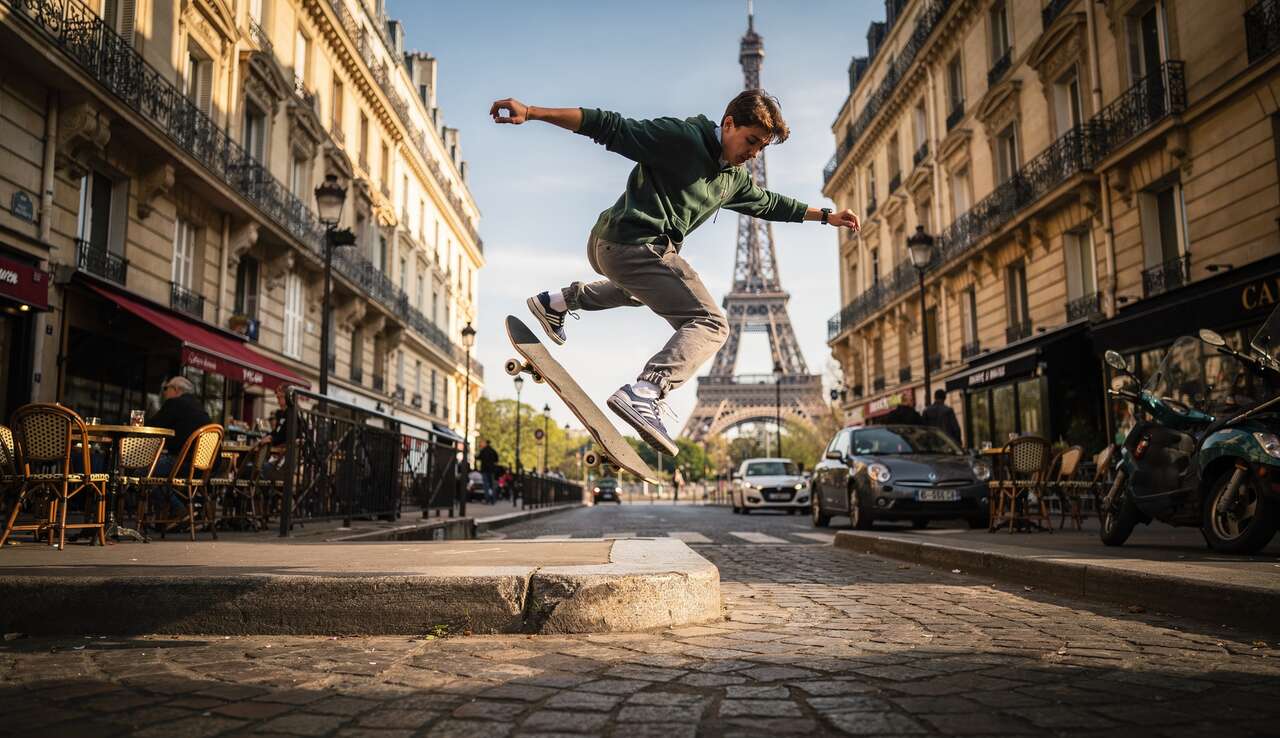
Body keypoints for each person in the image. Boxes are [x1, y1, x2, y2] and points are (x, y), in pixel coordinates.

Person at [490, 91, 860, 455]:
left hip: (609, 247)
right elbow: (608, 126)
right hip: (635, 243)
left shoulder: (733, 178)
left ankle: (557, 301)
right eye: (751, 141)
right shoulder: (681, 138)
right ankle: (647, 390)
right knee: (713, 324)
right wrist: (533, 112)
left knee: (636, 293)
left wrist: (825, 216)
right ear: (728, 124)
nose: (754, 153)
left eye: (762, 148)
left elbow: (769, 204)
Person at [146, 375, 212, 517]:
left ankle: (177, 509)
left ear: (175, 389)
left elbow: (152, 427)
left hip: (183, 464)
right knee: (156, 471)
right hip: (204, 468)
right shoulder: (200, 407)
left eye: (166, 388)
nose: (164, 392)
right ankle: (171, 514)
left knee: (142, 472)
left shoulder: (174, 403)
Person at [476, 439, 499, 504]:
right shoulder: (493, 451)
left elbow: (477, 457)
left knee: (486, 485)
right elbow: (497, 460)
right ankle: (493, 499)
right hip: (491, 470)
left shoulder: (483, 451)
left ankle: (487, 499)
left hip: (485, 470)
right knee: (492, 485)